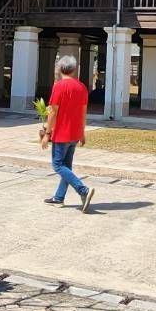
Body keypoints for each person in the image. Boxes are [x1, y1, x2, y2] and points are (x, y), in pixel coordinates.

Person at [40, 55, 94, 212]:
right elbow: (84, 112)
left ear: (59, 68)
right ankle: (59, 197)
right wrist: (82, 133)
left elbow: (53, 112)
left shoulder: (59, 86)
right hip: (74, 134)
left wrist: (47, 134)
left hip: (62, 134)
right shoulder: (82, 87)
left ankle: (83, 190)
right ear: (74, 69)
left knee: (58, 165)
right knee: (66, 166)